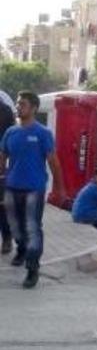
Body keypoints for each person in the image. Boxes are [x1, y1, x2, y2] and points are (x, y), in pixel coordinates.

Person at [0, 91, 67, 289]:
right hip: (11, 186)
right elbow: (2, 156)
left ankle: (32, 267)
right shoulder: (11, 132)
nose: (18, 107)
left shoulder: (42, 133)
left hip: (34, 189)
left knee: (32, 227)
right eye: (18, 104)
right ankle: (21, 248)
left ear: (34, 108)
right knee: (13, 225)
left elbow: (54, 162)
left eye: (23, 104)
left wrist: (59, 188)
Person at [0, 95, 15, 255]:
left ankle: (6, 238)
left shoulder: (4, 109)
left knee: (2, 205)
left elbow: (10, 137)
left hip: (1, 164)